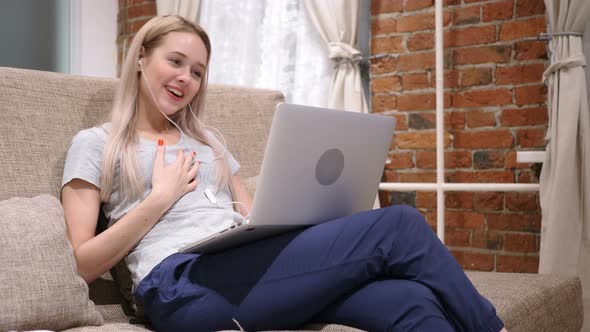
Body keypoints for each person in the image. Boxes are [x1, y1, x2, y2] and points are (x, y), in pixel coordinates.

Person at [61, 15, 507, 332]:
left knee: (410, 301)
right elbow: (80, 265)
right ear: (141, 58)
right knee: (399, 225)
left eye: (197, 71)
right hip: (178, 285)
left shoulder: (210, 142)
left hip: (245, 269)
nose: (186, 78)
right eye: (175, 62)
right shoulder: (97, 143)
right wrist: (160, 198)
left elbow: (255, 219)